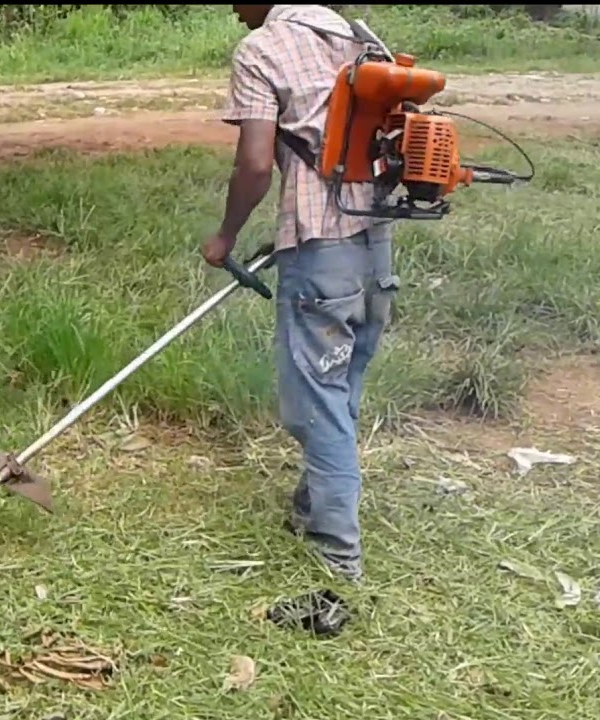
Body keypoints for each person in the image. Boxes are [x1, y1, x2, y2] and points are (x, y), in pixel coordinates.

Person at [201, 4, 399, 582]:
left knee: (316, 405)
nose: (234, 11)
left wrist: (226, 235)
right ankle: (314, 506)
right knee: (340, 387)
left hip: (323, 251)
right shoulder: (354, 34)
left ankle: (339, 559)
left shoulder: (262, 50)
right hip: (376, 243)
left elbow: (257, 164)